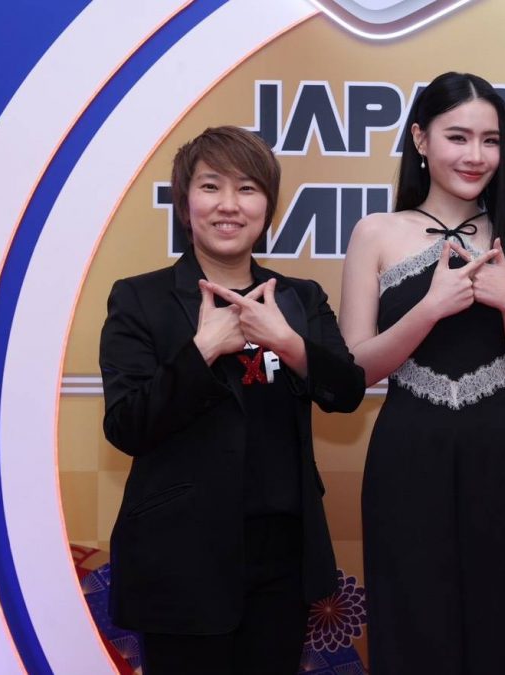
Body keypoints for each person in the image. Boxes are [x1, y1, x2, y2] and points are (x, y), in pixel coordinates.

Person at [99, 125, 366, 674]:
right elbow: (127, 425)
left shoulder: (298, 298)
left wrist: (288, 342)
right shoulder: (140, 298)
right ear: (185, 202)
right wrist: (202, 350)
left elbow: (346, 391)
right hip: (180, 559)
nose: (229, 205)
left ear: (268, 207)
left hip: (282, 558)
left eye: (247, 189)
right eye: (210, 186)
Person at [338, 71, 505, 674]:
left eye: (490, 140)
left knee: (497, 626)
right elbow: (355, 370)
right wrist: (430, 308)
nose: (475, 155)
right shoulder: (376, 233)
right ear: (420, 139)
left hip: (496, 452)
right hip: (407, 451)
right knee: (411, 625)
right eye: (458, 137)